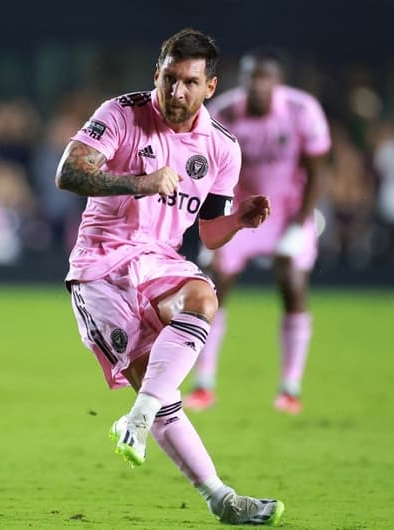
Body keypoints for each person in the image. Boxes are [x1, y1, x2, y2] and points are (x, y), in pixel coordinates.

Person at [56, 28, 284, 526]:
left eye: (189, 83)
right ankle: (220, 497)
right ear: (156, 74)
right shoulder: (120, 113)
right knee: (163, 399)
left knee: (204, 297)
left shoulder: (222, 148)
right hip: (101, 267)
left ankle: (135, 422)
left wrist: (239, 221)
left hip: (161, 260)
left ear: (211, 87)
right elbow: (68, 173)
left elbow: (210, 231)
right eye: (169, 78)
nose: (176, 93)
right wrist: (139, 182)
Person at [183, 48, 331, 415]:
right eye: (252, 78)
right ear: (243, 80)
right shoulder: (224, 113)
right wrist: (214, 220)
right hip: (241, 209)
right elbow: (210, 173)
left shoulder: (302, 110)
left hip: (288, 211)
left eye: (266, 78)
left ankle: (290, 387)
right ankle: (204, 384)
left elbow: (317, 171)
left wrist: (299, 225)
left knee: (292, 283)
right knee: (215, 286)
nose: (259, 85)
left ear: (278, 82)